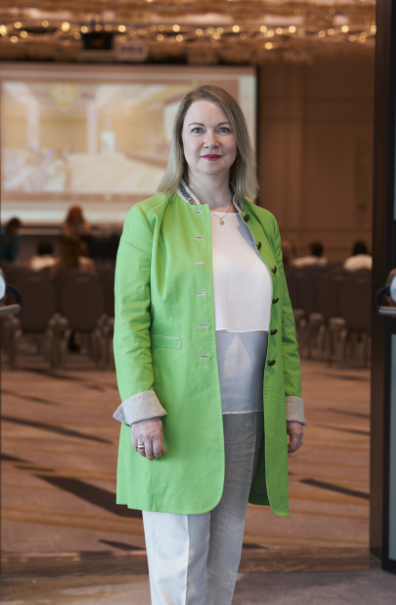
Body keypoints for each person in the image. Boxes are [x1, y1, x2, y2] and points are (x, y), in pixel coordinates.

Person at [113, 85, 305, 605]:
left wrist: (291, 404)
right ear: (180, 142)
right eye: (197, 129)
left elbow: (283, 324)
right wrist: (142, 411)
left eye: (223, 129)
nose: (210, 141)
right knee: (179, 562)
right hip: (177, 412)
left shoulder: (262, 223)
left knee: (224, 557)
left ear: (238, 141)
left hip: (247, 411)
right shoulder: (150, 218)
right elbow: (130, 326)